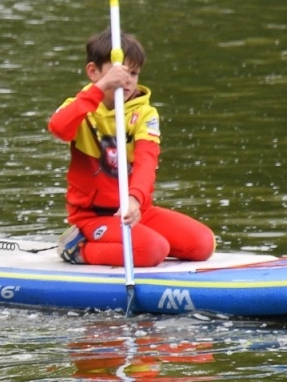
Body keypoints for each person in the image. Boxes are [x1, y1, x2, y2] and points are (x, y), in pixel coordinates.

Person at [47, 29, 215, 268]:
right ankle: (78, 249)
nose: (127, 81)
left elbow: (147, 160)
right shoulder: (79, 108)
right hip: (94, 217)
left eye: (133, 74)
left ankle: (133, 241)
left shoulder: (145, 113)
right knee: (152, 250)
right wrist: (100, 88)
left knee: (201, 243)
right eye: (119, 74)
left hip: (136, 210)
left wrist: (135, 200)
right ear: (94, 72)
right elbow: (58, 128)